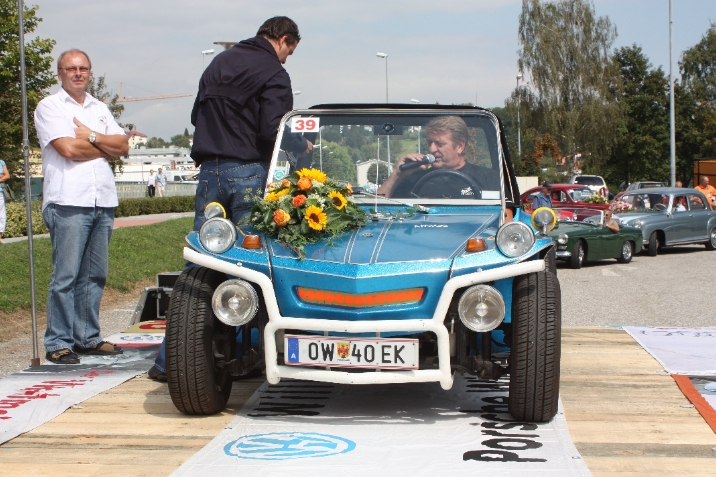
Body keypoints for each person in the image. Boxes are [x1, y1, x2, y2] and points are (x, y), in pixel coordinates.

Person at [148, 16, 311, 382]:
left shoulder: (219, 62)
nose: (286, 60)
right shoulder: (272, 71)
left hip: (209, 173)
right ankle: (248, 356)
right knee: (252, 265)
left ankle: (169, 362)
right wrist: (302, 145)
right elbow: (274, 128)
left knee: (200, 265)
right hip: (248, 174)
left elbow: (196, 115)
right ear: (284, 40)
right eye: (289, 52)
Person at [34, 49, 129, 364]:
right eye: (70, 68)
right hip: (68, 201)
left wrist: (89, 136)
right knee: (66, 275)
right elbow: (67, 149)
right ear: (59, 73)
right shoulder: (49, 107)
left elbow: (124, 145)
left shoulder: (99, 107)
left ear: (89, 71)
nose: (78, 73)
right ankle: (58, 341)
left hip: (102, 200)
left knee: (95, 275)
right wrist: (105, 146)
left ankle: (87, 337)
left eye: (83, 68)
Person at [377, 116, 500, 199]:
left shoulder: (487, 178)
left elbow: (505, 214)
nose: (432, 149)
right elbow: (374, 207)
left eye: (439, 144)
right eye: (429, 143)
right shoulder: (414, 178)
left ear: (460, 146)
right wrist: (397, 175)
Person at [0, 159, 9, 244]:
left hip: (1, 192)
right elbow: (4, 176)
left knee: (2, 215)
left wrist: (3, 176)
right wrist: (1, 176)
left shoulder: (1, 162)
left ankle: (0, 237)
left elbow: (7, 176)